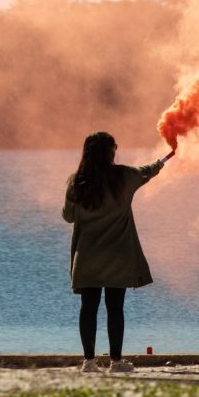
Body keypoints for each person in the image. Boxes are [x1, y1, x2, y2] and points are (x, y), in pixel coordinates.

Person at [62, 131, 164, 373]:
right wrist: (159, 164)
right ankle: (116, 362)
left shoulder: (77, 182)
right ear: (111, 152)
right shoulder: (123, 177)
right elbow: (145, 172)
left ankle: (89, 362)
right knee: (115, 308)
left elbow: (67, 216)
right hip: (118, 257)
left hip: (87, 258)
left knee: (88, 308)